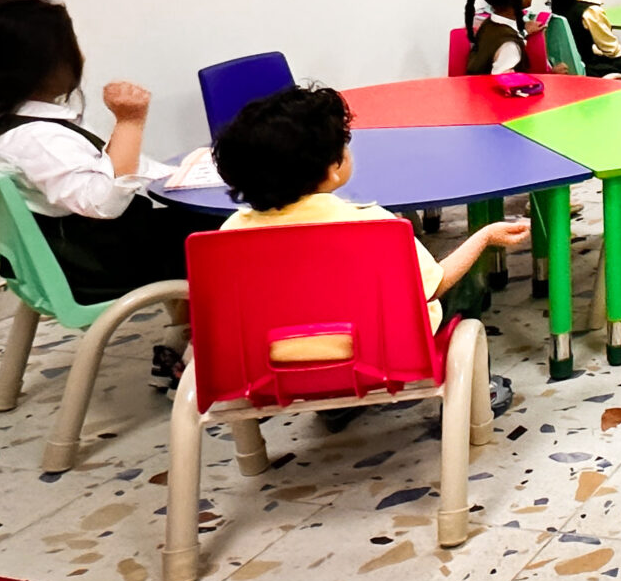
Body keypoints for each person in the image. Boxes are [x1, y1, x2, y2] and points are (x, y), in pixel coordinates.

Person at [213, 86, 530, 419]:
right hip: (378, 358)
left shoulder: (229, 234)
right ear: (332, 168)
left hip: (272, 365)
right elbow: (435, 286)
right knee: (465, 287)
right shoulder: (372, 224)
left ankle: (334, 410)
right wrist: (483, 237)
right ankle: (480, 394)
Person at [0, 0, 218, 388]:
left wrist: (175, 172)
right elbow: (103, 201)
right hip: (103, 263)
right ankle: (209, 364)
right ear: (48, 65)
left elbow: (99, 172)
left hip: (80, 255)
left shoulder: (4, 125)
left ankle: (178, 346)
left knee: (190, 223)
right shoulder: (38, 140)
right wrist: (130, 121)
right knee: (228, 238)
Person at [464, 0, 541, 75]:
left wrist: (523, 33)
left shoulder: (489, 25)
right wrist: (550, 76)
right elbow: (504, 81)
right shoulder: (509, 45)